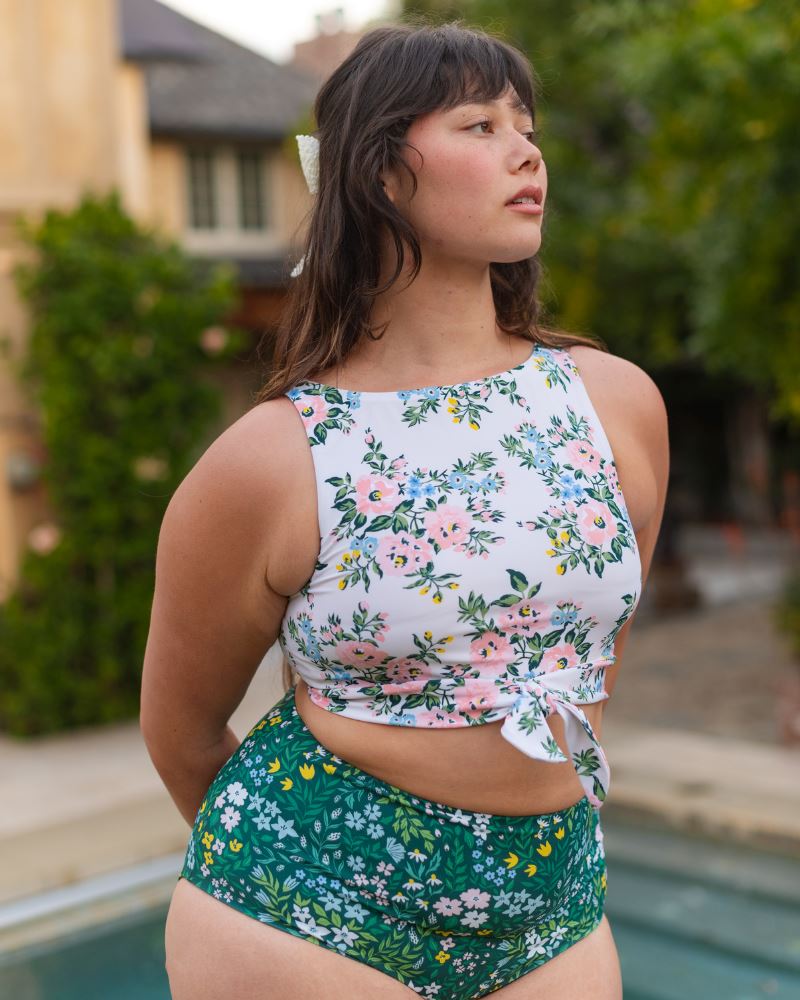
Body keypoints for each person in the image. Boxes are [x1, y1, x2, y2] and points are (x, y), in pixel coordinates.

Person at [140, 18, 669, 1000]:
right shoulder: (271, 457)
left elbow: (589, 657)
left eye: (527, 126)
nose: (524, 150)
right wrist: (320, 864)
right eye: (478, 125)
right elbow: (180, 734)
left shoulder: (615, 403)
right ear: (380, 174)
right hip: (307, 917)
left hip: (550, 903)